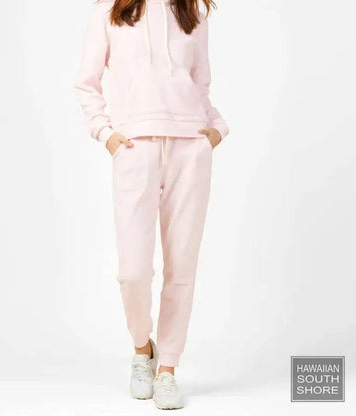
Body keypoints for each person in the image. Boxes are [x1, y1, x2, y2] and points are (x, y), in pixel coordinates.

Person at [74, 0, 229, 409]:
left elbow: (200, 86)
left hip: (189, 148)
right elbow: (86, 83)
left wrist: (215, 130)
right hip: (134, 147)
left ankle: (168, 370)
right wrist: (106, 134)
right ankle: (143, 350)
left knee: (182, 267)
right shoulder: (110, 11)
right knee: (133, 272)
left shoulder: (191, 13)